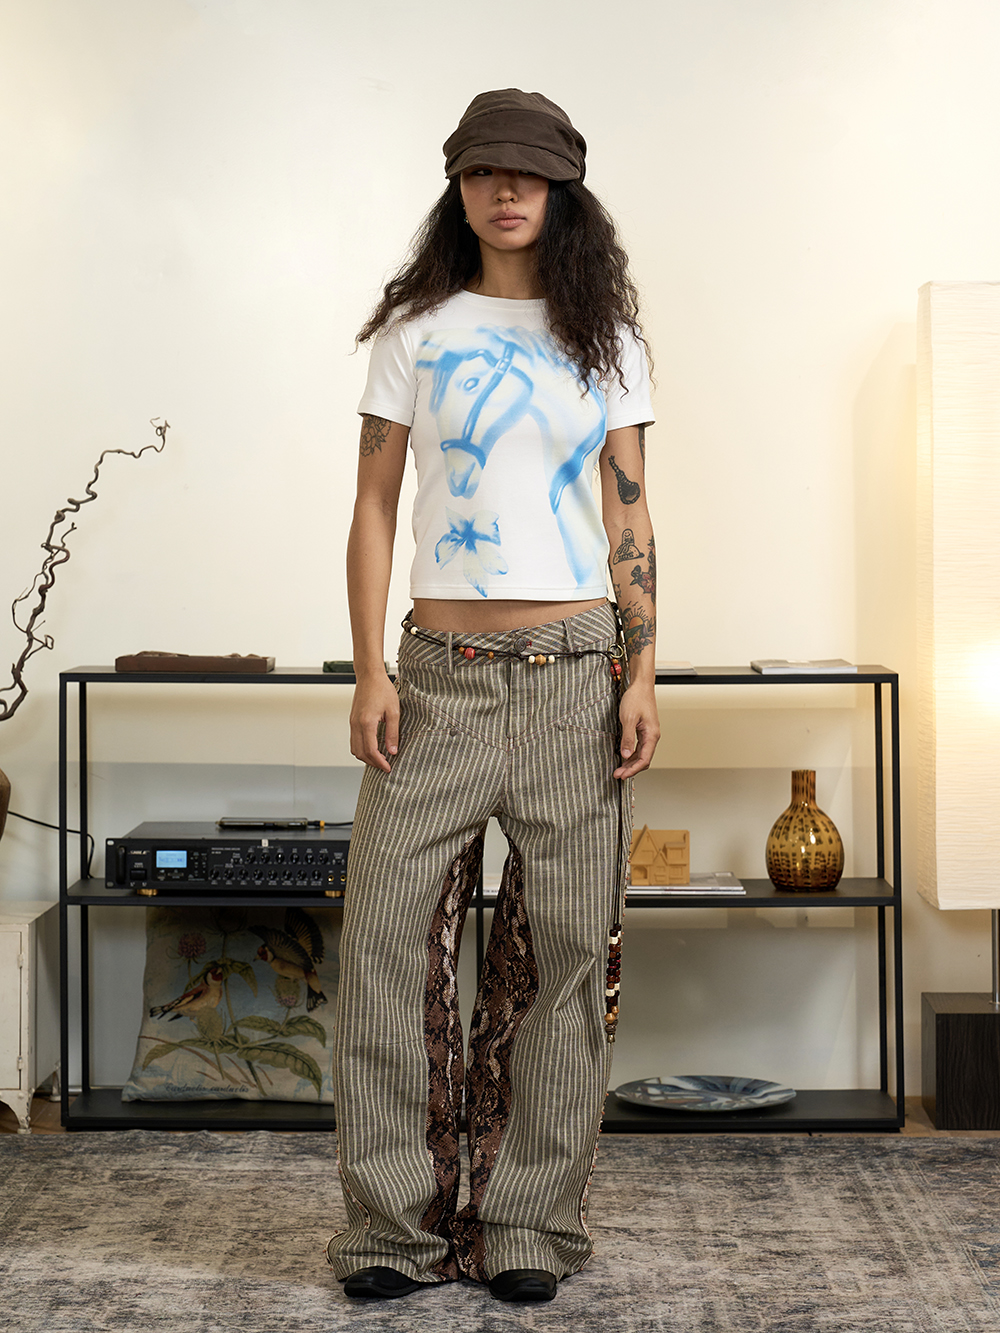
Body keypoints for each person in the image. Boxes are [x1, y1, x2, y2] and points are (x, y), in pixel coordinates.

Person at [327, 88, 659, 1304]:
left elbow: (628, 516)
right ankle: (394, 1229)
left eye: (527, 174)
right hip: (437, 680)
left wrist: (642, 669)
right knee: (382, 944)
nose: (504, 191)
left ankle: (526, 1222)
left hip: (575, 675)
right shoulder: (415, 331)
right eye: (482, 172)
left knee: (564, 958)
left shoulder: (606, 338)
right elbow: (372, 506)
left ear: (563, 190)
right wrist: (369, 667)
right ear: (456, 185)